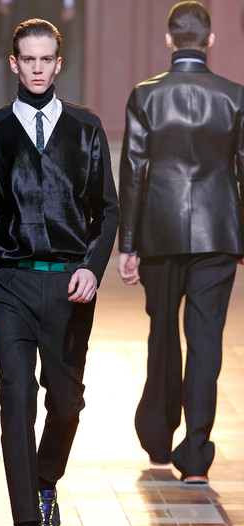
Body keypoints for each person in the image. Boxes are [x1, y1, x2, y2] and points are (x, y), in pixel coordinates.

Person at [0, 18, 119, 526]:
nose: (38, 68)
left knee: (66, 403)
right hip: (10, 285)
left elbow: (108, 210)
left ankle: (46, 483)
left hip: (71, 286)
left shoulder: (86, 128)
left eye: (47, 59)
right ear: (14, 64)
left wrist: (92, 268)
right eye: (29, 59)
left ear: (58, 64)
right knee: (17, 398)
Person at [118, 1, 244, 484]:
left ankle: (156, 437)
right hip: (219, 234)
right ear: (209, 40)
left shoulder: (146, 95)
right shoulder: (234, 96)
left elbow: (134, 172)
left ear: (169, 39)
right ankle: (195, 457)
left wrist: (128, 244)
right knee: (206, 340)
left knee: (163, 334)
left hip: (160, 232)